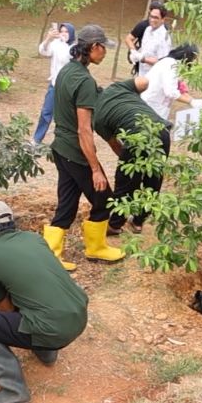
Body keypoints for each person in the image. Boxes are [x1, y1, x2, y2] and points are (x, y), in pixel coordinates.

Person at [0, 201, 89, 403]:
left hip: (53, 330)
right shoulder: (35, 238)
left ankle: (14, 392)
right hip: (78, 317)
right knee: (30, 296)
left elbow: (7, 309)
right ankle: (46, 351)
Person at [46, 25, 125, 269]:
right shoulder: (84, 81)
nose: (105, 53)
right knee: (104, 199)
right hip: (75, 151)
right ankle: (96, 248)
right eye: (103, 48)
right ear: (93, 47)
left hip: (60, 147)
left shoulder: (67, 71)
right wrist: (95, 169)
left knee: (67, 203)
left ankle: (51, 256)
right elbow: (84, 129)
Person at [93, 75, 169, 236]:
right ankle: (138, 222)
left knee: (126, 183)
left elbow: (115, 146)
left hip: (137, 137)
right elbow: (144, 81)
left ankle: (114, 225)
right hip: (161, 131)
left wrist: (129, 163)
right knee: (154, 179)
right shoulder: (117, 88)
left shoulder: (98, 119)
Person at [33, 22, 75, 144]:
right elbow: (43, 51)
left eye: (66, 32)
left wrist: (65, 44)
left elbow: (68, 57)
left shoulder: (75, 47)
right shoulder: (56, 44)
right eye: (62, 31)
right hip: (55, 84)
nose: (64, 34)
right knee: (46, 112)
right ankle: (37, 139)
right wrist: (48, 38)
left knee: (64, 116)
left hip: (68, 87)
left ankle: (63, 141)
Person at [140, 43, 202, 121]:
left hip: (154, 102)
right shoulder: (171, 65)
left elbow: (179, 88)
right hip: (153, 104)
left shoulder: (169, 62)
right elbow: (170, 92)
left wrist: (192, 100)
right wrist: (191, 101)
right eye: (193, 59)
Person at [128, 4, 172, 77]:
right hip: (142, 74)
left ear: (163, 19)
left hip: (154, 78)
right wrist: (135, 53)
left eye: (156, 18)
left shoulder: (164, 38)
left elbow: (163, 62)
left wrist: (143, 59)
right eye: (151, 16)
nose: (152, 20)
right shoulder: (147, 30)